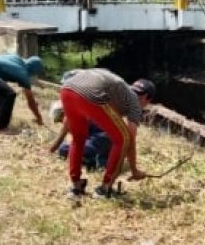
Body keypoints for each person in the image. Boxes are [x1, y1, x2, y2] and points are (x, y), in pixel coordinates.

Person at [61, 69, 155, 198]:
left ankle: (76, 187)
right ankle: (105, 189)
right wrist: (134, 170)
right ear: (146, 99)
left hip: (67, 89)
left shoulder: (120, 91)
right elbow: (130, 139)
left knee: (78, 139)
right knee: (123, 139)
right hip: (90, 94)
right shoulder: (135, 102)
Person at [0, 54, 44, 132]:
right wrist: (39, 117)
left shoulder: (16, 59)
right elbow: (31, 102)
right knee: (10, 95)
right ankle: (1, 127)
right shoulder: (23, 73)